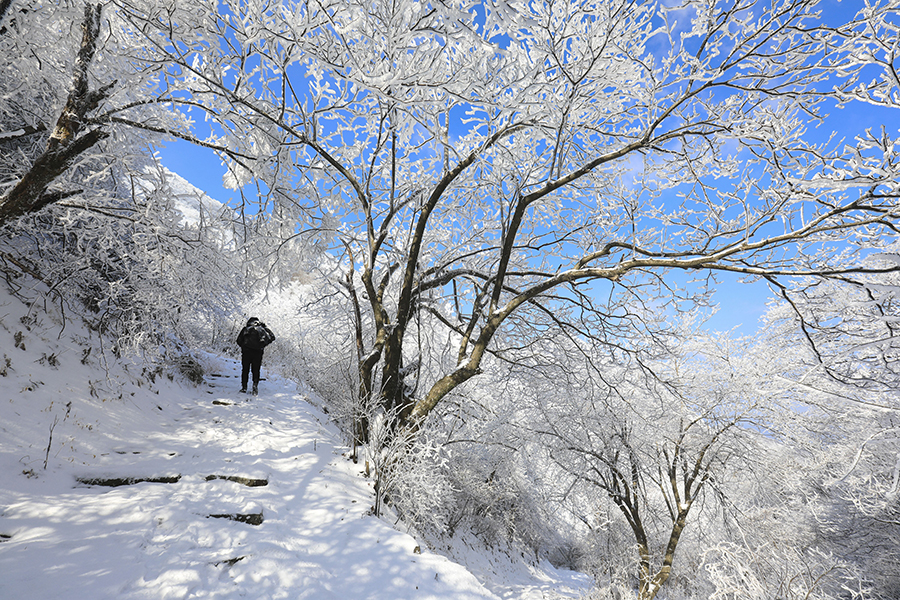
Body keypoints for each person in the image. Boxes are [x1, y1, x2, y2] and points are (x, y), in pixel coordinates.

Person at [236, 317, 275, 395]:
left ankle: (244, 387)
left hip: (246, 353)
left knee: (245, 370)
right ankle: (255, 387)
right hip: (258, 353)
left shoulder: (246, 329)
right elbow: (272, 337)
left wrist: (244, 347)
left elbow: (238, 340)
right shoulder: (262, 330)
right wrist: (262, 346)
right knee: (256, 370)